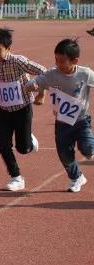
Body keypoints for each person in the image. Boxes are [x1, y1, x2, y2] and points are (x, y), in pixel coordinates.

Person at [0, 28, 47, 192]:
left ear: (8, 49)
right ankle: (16, 177)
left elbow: (43, 72)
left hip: (22, 109)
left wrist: (41, 93)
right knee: (2, 146)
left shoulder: (18, 61)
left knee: (23, 149)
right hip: (3, 111)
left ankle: (29, 141)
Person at [26, 39, 94, 193]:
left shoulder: (85, 73)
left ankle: (90, 149)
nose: (58, 64)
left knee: (88, 149)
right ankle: (76, 178)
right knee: (64, 153)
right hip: (62, 122)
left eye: (62, 61)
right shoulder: (52, 74)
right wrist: (32, 86)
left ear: (75, 60)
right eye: (56, 60)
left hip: (81, 120)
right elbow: (36, 81)